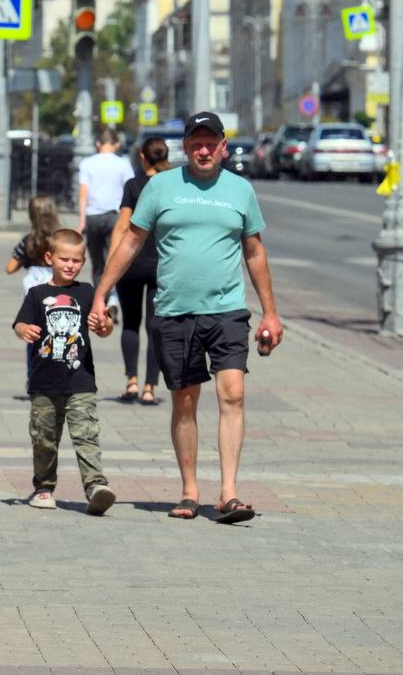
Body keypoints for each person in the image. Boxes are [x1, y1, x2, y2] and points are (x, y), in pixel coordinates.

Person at [90, 111, 284, 525]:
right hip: (175, 310)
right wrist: (101, 292)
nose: (203, 149)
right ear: (186, 147)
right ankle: (190, 490)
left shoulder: (240, 190)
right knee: (185, 400)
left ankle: (229, 493)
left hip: (227, 309)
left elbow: (254, 251)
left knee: (232, 393)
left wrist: (270, 312)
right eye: (196, 142)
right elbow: (131, 242)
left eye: (210, 142)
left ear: (223, 146)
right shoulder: (161, 187)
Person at [13, 228, 117, 515]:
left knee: (87, 435)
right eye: (64, 259)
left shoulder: (86, 292)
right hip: (44, 384)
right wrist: (25, 329)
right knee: (44, 438)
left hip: (80, 381)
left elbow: (104, 327)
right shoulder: (37, 294)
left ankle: (96, 486)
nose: (71, 265)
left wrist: (104, 326)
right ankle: (44, 488)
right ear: (50, 258)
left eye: (77, 260)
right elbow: (19, 323)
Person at [109, 138, 171, 405]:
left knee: (131, 324)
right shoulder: (172, 186)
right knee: (155, 327)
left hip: (132, 264)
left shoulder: (134, 186)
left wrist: (112, 263)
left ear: (142, 158)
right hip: (163, 265)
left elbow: (123, 226)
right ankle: (149, 389)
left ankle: (131, 383)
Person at [6, 195, 61, 397]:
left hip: (33, 293)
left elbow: (10, 268)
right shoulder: (59, 241)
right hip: (57, 290)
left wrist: (22, 260)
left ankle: (34, 377)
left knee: (32, 334)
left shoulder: (28, 241)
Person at [77, 129, 133, 320]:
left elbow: (83, 193)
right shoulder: (123, 164)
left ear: (98, 144)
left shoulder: (87, 163)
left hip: (93, 216)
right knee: (115, 259)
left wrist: (82, 220)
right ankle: (113, 299)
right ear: (117, 144)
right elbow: (129, 190)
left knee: (97, 263)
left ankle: (99, 301)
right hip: (116, 217)